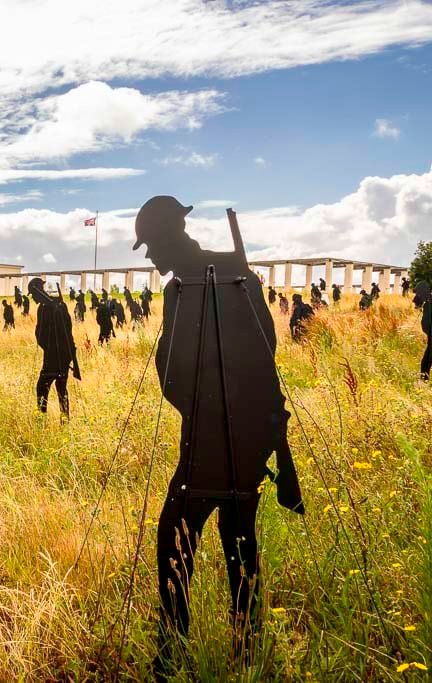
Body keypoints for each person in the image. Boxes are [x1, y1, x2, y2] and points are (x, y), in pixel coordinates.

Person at [132, 196, 304, 676]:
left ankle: (172, 649)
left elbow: (172, 367)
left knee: (174, 535)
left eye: (150, 245)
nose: (149, 257)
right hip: (251, 432)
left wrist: (200, 407)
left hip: (208, 435)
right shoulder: (239, 274)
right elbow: (266, 349)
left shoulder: (181, 287)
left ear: (169, 235)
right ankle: (248, 647)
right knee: (240, 535)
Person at [30, 278, 79, 419]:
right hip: (64, 355)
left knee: (41, 388)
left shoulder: (45, 308)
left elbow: (40, 334)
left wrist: (46, 347)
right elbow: (69, 330)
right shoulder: (61, 305)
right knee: (62, 389)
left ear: (37, 291)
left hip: (52, 356)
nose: (33, 297)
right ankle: (65, 420)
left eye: (33, 293)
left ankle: (41, 419)